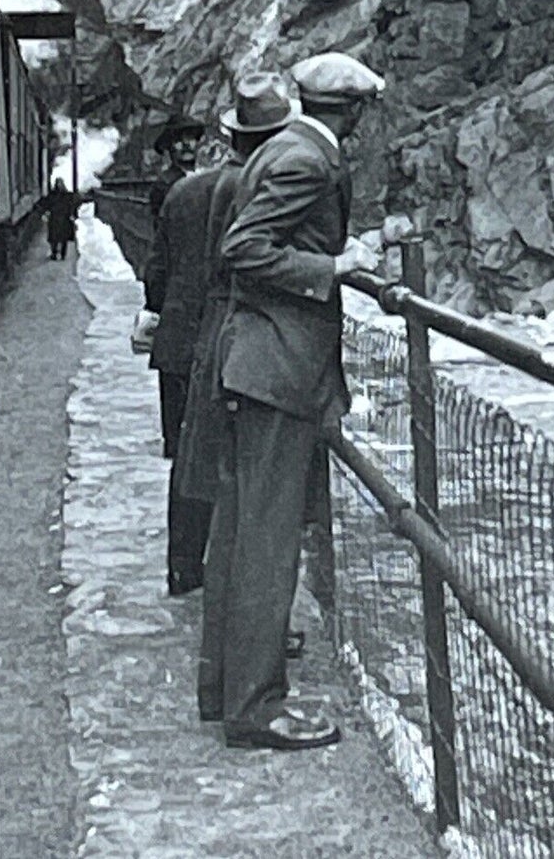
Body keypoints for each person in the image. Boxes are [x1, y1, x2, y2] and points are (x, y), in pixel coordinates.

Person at [202, 51, 383, 751]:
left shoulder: (283, 146)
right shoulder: (306, 159)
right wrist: (332, 266)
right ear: (354, 114)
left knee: (246, 532)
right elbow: (243, 248)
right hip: (278, 367)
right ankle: (254, 708)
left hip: (256, 362)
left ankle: (227, 686)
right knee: (269, 544)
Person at [175, 73, 293, 638]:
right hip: (242, 341)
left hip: (211, 334)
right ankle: (250, 631)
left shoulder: (205, 186)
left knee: (209, 471)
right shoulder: (252, 188)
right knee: (247, 491)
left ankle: (190, 578)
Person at [141, 115, 235, 595]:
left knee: (185, 455)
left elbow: (155, 270)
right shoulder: (247, 192)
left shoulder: (176, 194)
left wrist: (159, 314)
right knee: (232, 459)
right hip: (223, 340)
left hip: (179, 340)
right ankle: (224, 571)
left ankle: (183, 566)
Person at [148, 114, 204, 223]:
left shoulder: (206, 176)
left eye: (190, 136)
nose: (186, 143)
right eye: (178, 139)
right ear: (169, 146)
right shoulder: (164, 184)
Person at [44, 177, 84, 260]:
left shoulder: (57, 195)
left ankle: (59, 254)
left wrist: (72, 214)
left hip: (60, 218)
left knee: (59, 238)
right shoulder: (63, 195)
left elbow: (72, 204)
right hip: (58, 218)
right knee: (58, 238)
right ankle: (56, 254)